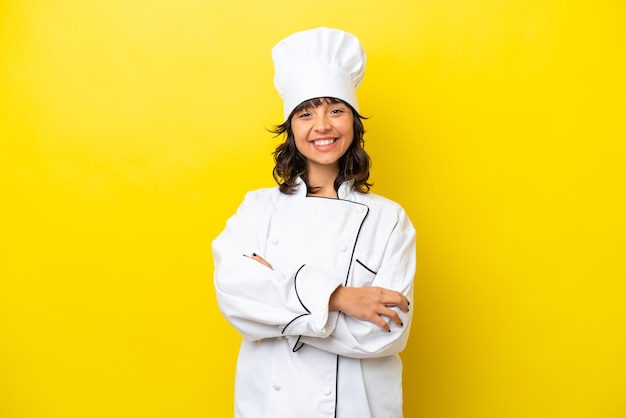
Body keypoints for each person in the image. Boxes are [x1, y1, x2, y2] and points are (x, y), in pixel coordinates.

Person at [212, 27, 416, 418]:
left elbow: (383, 335)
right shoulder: (257, 210)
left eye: (335, 110)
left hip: (358, 407)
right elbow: (236, 296)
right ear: (291, 129)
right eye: (306, 113)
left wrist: (277, 307)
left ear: (354, 123)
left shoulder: (389, 219)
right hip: (272, 406)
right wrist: (340, 299)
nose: (322, 126)